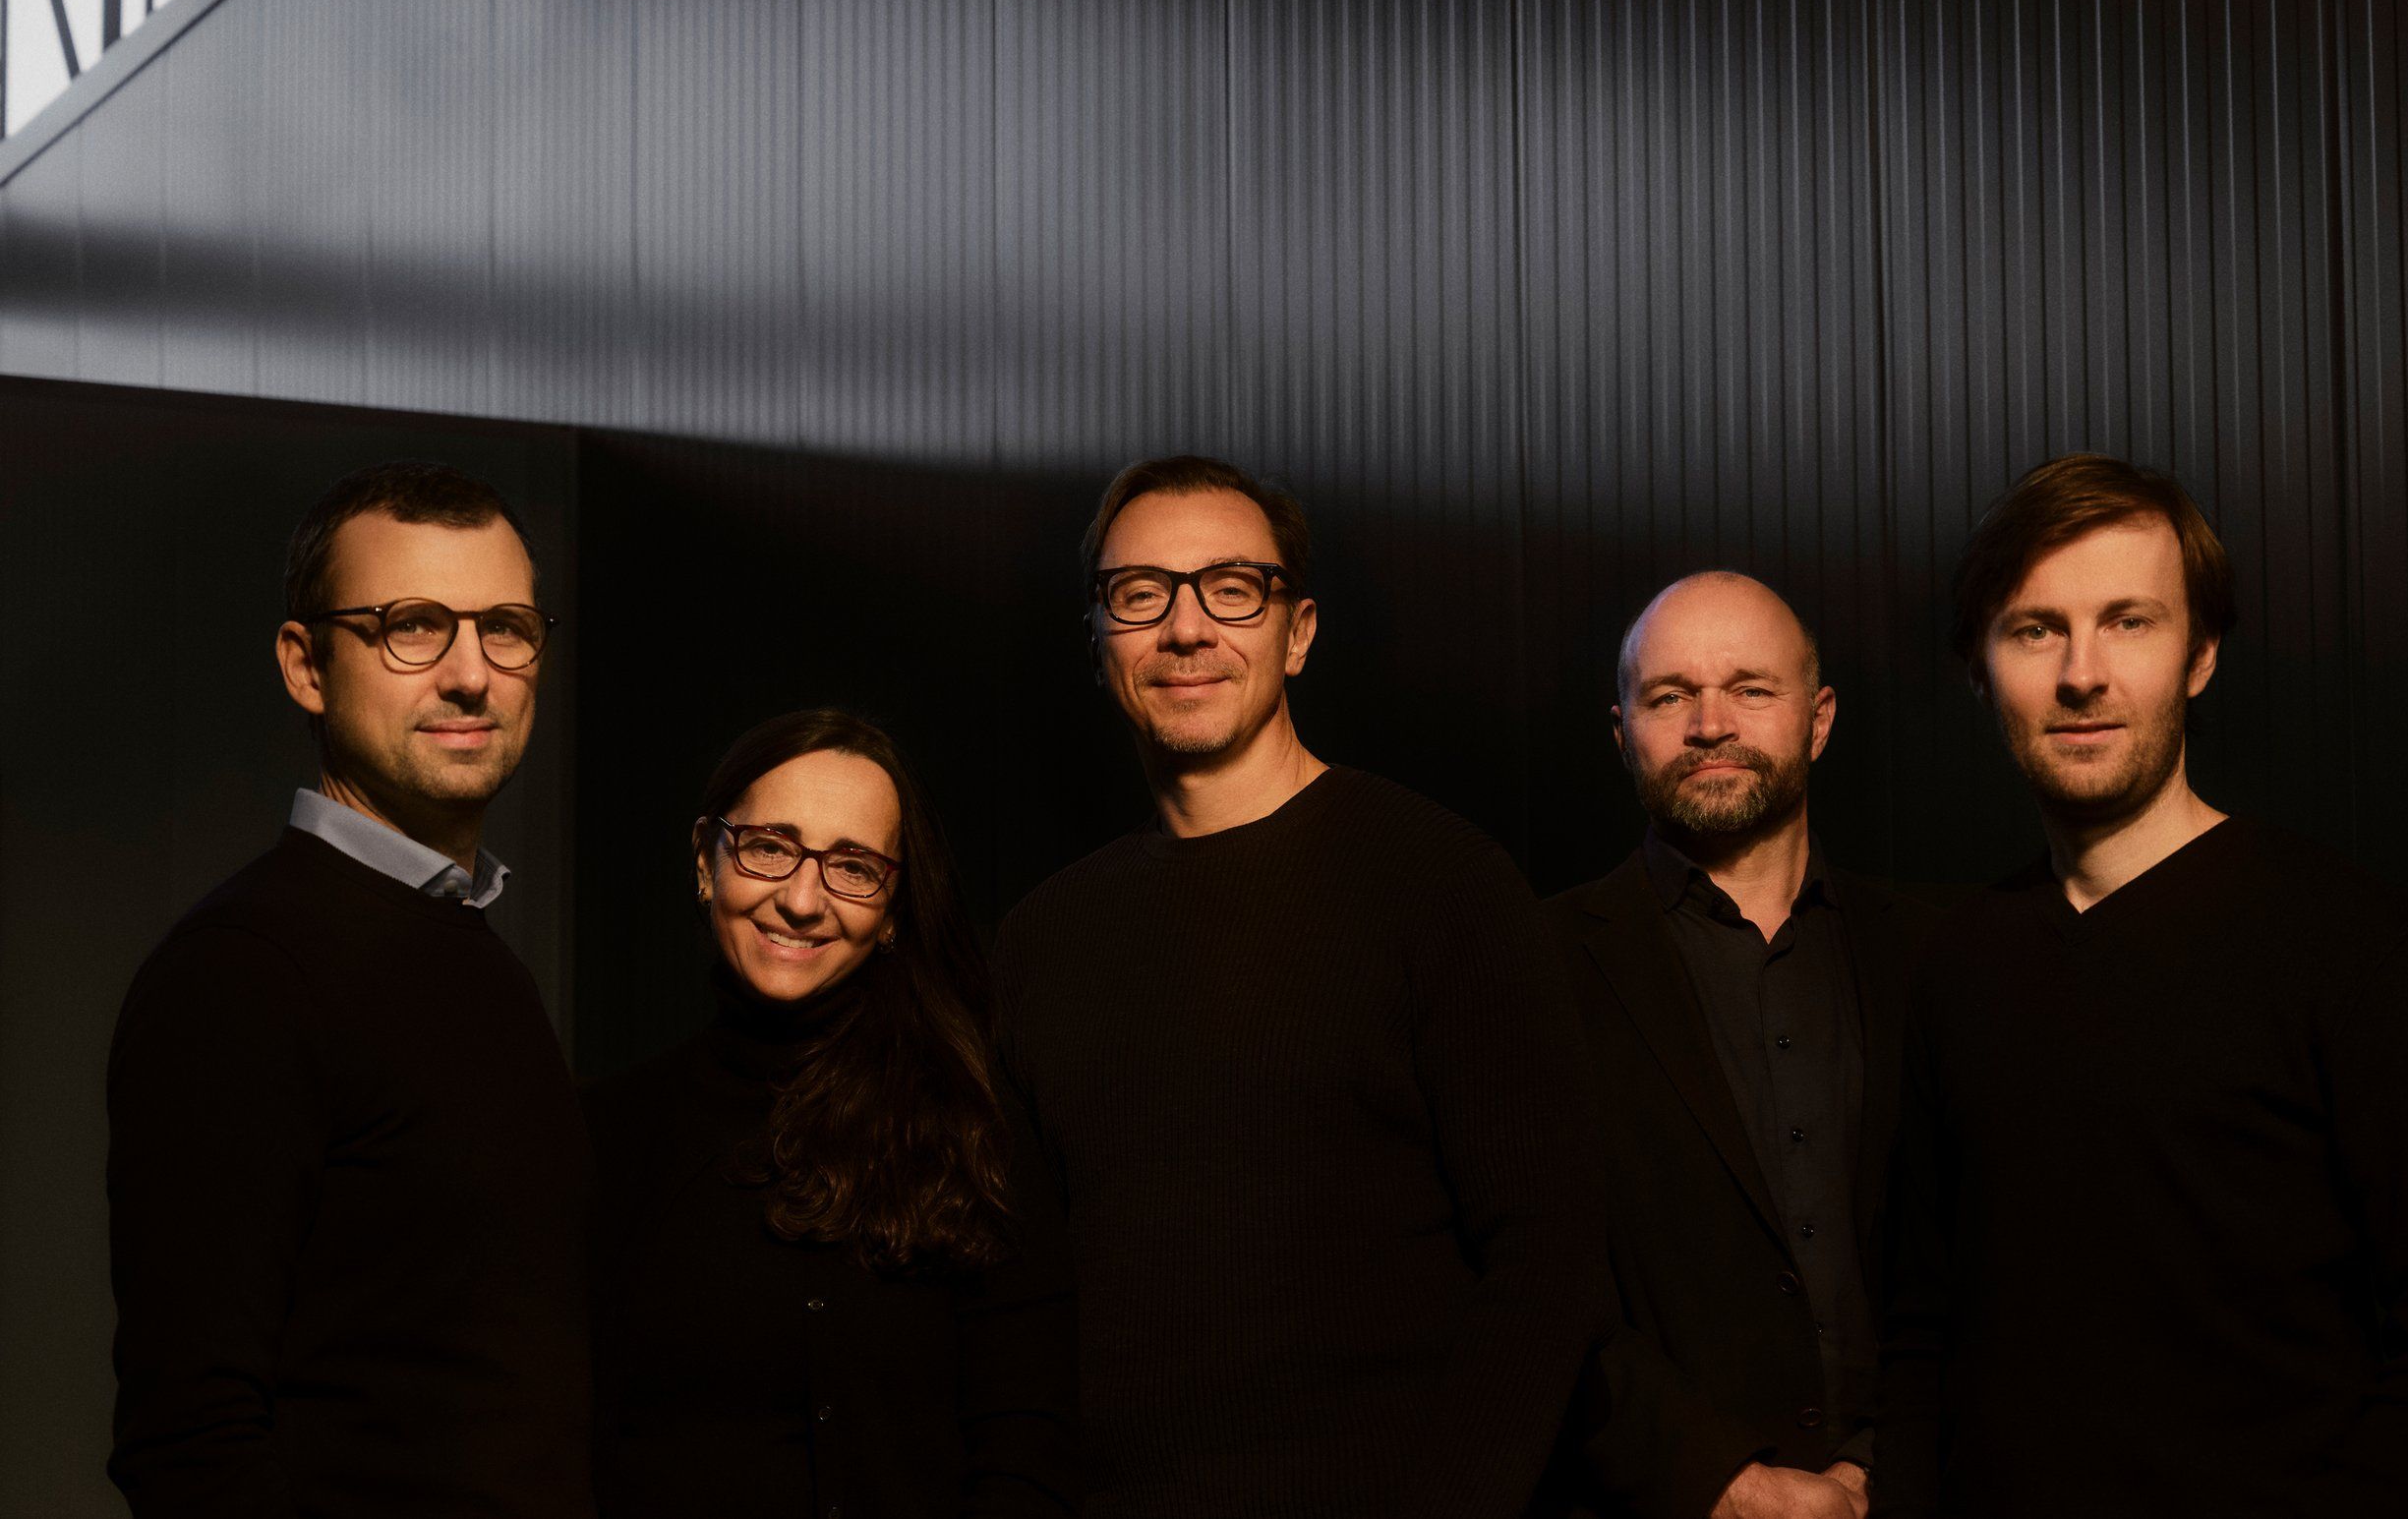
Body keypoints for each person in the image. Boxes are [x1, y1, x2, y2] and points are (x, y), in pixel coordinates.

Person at [994, 455, 1610, 1518]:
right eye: (1140, 593)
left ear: (1299, 630)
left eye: (1232, 586)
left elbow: (1548, 1258)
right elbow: (1022, 1311)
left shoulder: (1441, 881)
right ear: (1099, 642)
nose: (1185, 629)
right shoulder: (1040, 939)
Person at [1874, 454, 2408, 1518]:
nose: (2081, 672)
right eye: (2034, 627)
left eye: (2128, 621)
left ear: (2201, 654)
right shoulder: (1956, 964)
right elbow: (1924, 1329)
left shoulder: (2356, 944)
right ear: (1979, 669)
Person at [106, 461, 591, 1515]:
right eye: (413, 625)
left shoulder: (466, 946)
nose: (472, 674)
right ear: (306, 664)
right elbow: (190, 1441)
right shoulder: (243, 971)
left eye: (504, 625)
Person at [586, 709, 1078, 1519]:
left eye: (853, 867)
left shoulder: (975, 1125)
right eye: (771, 847)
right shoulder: (607, 1136)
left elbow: (1029, 1444)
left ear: (891, 914)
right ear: (708, 861)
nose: (803, 900)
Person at [1544, 574, 1937, 1519]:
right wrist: (1721, 1481)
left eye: (1751, 689)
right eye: (1669, 695)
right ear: (1622, 730)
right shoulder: (1534, 965)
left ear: (1820, 718)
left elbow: (1995, 1253)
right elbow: (1534, 1289)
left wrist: (1881, 1469)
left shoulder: (1936, 956)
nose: (1709, 724)